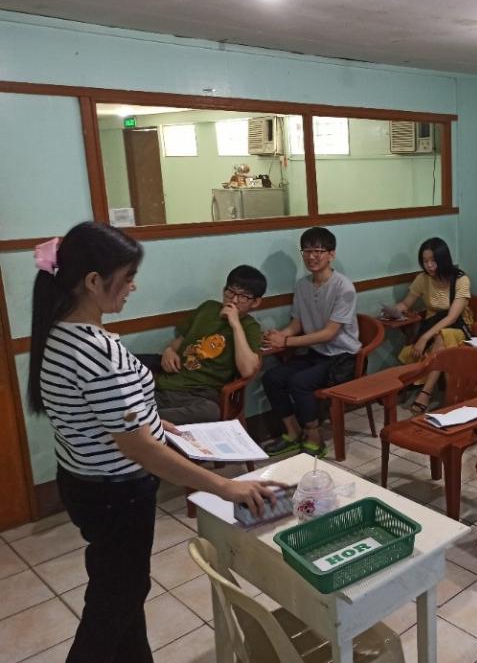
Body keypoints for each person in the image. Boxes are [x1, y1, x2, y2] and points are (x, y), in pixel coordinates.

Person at [27, 222, 281, 663]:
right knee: (113, 605)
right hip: (116, 492)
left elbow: (105, 415)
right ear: (94, 281)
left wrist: (156, 422)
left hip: (82, 479)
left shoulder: (58, 334)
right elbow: (139, 448)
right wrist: (225, 486)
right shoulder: (100, 353)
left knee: (122, 591)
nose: (133, 287)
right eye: (127, 277)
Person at [261, 227, 361, 457]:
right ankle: (293, 432)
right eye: (307, 251)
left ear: (331, 254)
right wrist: (278, 337)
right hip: (316, 354)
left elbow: (329, 333)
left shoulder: (343, 287)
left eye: (318, 251)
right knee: (272, 378)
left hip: (342, 358)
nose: (311, 256)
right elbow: (297, 322)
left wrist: (287, 341)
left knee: (300, 382)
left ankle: (315, 437)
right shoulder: (302, 285)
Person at [153, 265, 266, 423]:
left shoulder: (250, 327)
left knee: (210, 412)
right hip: (168, 385)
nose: (234, 300)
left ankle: (147, 420)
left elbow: (247, 370)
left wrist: (235, 324)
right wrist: (169, 350)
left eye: (243, 297)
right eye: (231, 292)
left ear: (255, 302)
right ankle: (149, 420)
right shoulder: (208, 308)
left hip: (201, 395)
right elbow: (179, 342)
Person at [393, 237, 474, 414]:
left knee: (442, 337)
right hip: (432, 324)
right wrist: (393, 311)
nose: (429, 265)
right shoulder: (423, 279)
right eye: (425, 261)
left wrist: (424, 337)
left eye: (433, 260)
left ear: (443, 259)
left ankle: (426, 392)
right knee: (435, 339)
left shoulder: (461, 279)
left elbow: (452, 317)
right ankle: (408, 388)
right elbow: (406, 303)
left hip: (458, 327)